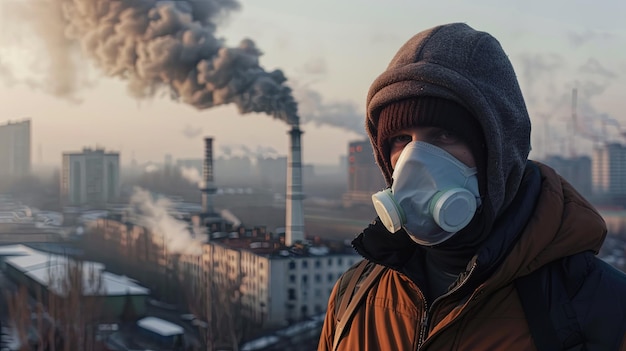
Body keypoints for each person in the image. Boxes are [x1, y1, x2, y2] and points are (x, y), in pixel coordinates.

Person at [318, 22, 626, 351]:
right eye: (400, 140)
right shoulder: (353, 297)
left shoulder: (602, 311)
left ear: (500, 153)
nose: (414, 161)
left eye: (444, 136)